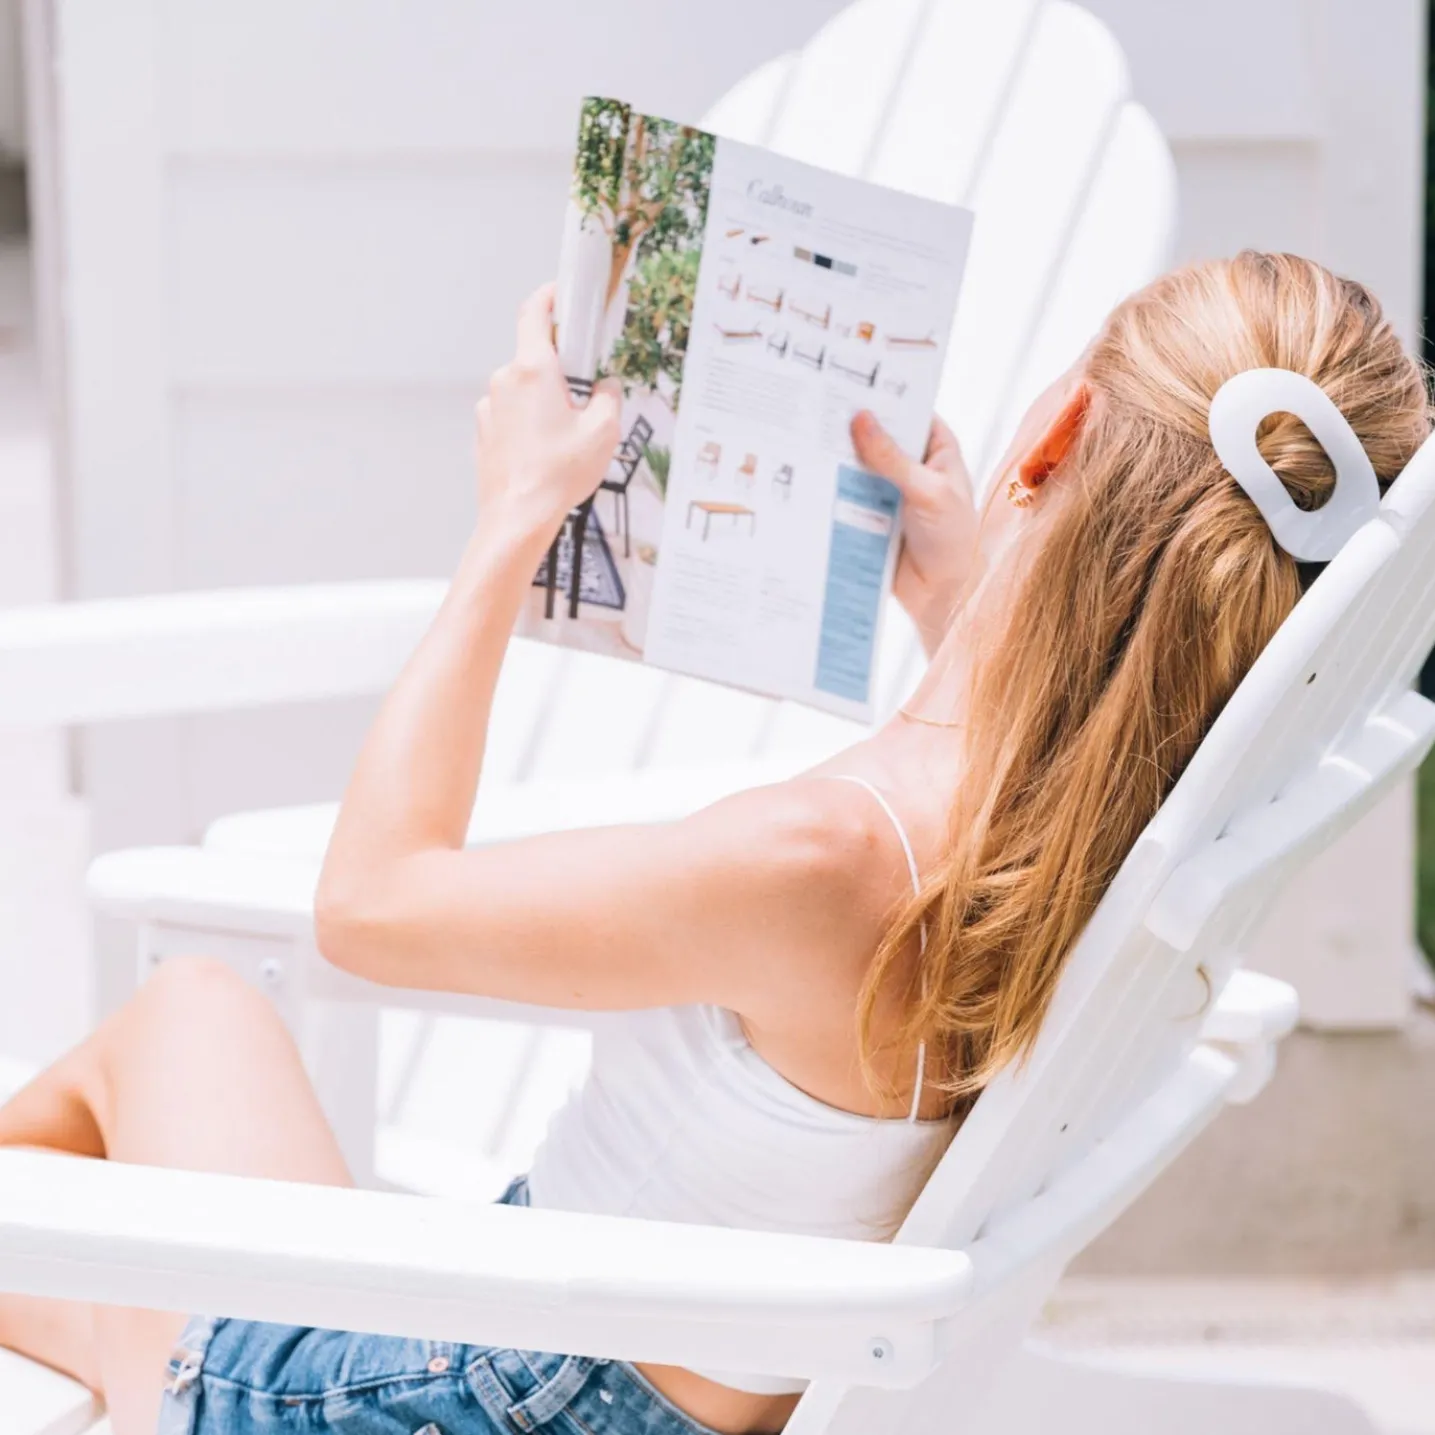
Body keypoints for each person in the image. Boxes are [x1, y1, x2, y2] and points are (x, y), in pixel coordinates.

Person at [0, 252, 1427, 1435]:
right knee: (176, 1049)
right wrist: (968, 610)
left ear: (1050, 434)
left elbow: (372, 902)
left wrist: (513, 516)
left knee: (176, 1018)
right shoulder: (1117, 849)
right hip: (591, 1379)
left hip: (456, 1402)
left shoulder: (826, 857)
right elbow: (1045, 761)